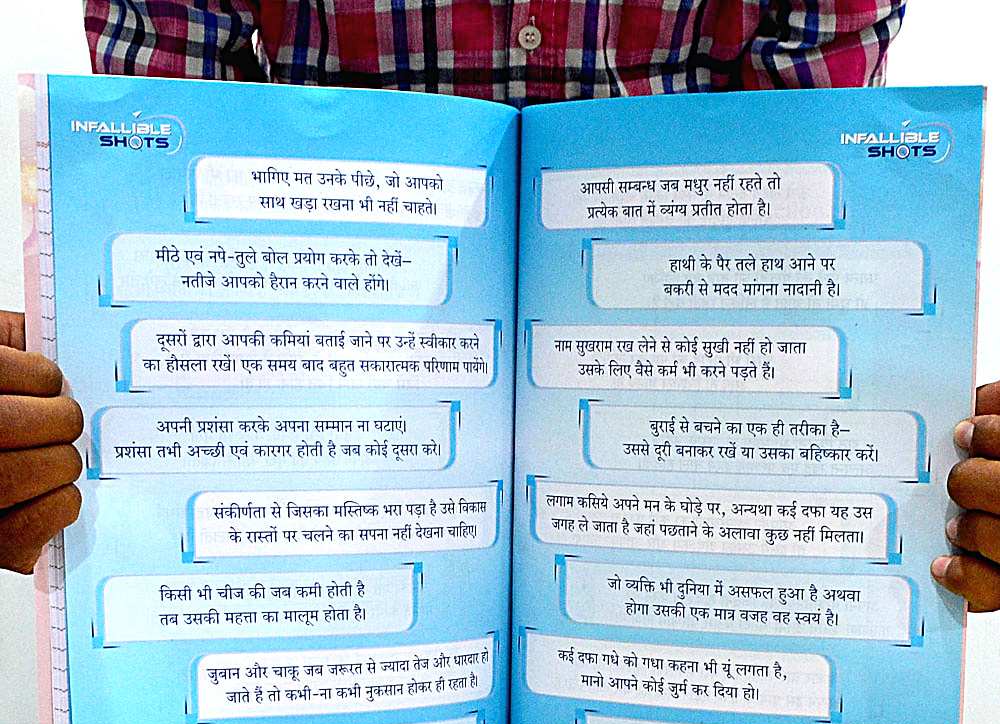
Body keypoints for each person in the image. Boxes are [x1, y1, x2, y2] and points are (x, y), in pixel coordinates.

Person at [2, 0, 1000, 611]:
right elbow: (167, 232)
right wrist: (48, 398)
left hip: (684, 623)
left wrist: (927, 478)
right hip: (318, 616)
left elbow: (808, 260)